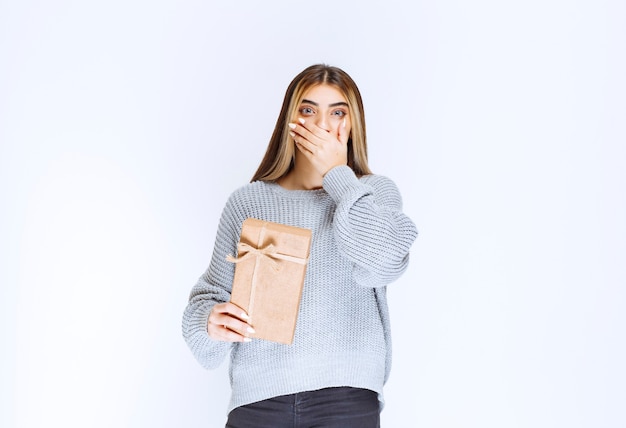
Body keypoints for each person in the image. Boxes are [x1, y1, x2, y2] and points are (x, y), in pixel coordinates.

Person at [182, 64, 418, 428]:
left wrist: (338, 176)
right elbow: (208, 299)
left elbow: (384, 262)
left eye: (337, 112)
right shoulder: (248, 202)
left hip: (346, 398)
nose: (322, 125)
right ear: (289, 121)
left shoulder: (373, 193)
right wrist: (209, 322)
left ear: (353, 124)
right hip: (257, 402)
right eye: (308, 110)